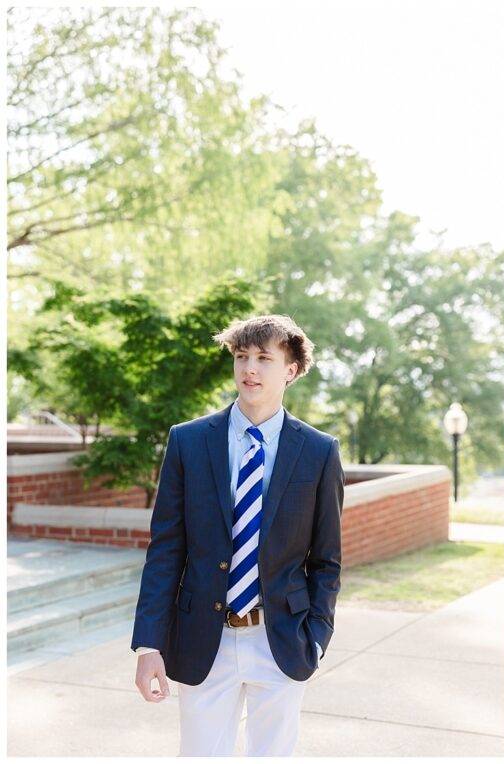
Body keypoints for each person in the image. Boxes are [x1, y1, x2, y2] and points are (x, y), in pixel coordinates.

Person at [131, 314, 344, 755]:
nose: (249, 368)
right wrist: (149, 644)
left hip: (282, 639)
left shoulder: (320, 451)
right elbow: (166, 550)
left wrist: (317, 638)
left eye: (264, 358)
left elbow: (327, 559)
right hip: (203, 639)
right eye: (242, 356)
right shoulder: (188, 441)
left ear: (290, 370)